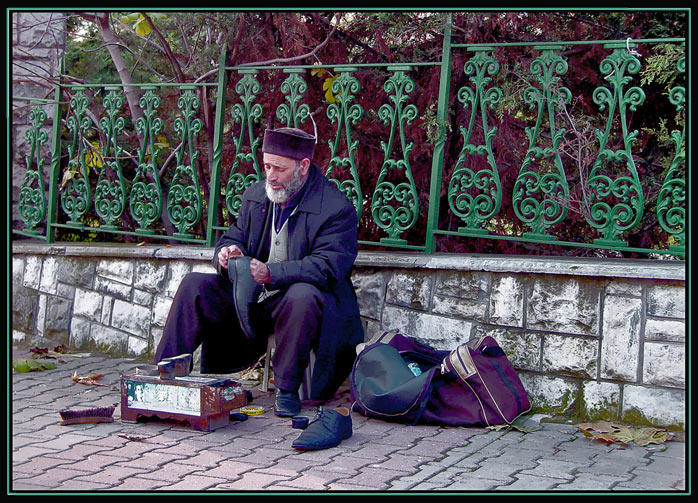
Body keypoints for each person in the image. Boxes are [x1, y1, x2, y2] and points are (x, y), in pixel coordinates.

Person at [152, 127, 364, 418]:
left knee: (303, 294)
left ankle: (287, 390)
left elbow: (329, 267)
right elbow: (233, 236)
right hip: (252, 301)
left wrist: (272, 273)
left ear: (303, 166)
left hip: (307, 309)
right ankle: (165, 375)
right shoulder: (256, 195)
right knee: (194, 285)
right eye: (267, 166)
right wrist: (227, 255)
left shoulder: (336, 208)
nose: (271, 176)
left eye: (279, 168)